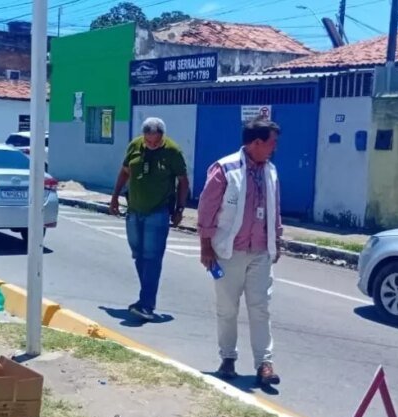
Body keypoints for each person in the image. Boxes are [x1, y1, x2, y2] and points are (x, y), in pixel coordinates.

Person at [197, 118, 283, 388]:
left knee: (260, 308)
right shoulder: (225, 169)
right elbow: (207, 209)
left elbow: (275, 208)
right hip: (228, 251)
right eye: (271, 142)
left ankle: (264, 364)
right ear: (256, 142)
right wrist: (206, 246)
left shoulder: (271, 171)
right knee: (227, 309)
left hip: (260, 252)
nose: (274, 147)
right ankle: (228, 358)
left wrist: (277, 239)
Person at [110, 117, 189, 321]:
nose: (152, 144)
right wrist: (115, 197)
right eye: (148, 141)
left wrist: (180, 208)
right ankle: (145, 297)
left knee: (152, 258)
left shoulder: (173, 151)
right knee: (139, 255)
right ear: (143, 137)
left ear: (163, 137)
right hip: (134, 209)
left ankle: (146, 304)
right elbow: (125, 172)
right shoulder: (134, 146)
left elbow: (183, 181)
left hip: (158, 211)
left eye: (156, 141)